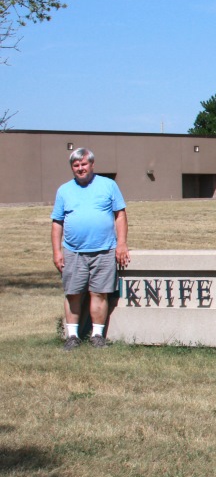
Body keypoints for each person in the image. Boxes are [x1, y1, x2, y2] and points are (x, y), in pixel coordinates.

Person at [51, 148, 130, 350]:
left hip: (104, 250)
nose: (80, 168)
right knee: (73, 294)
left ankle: (96, 336)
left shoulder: (108, 185)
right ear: (72, 168)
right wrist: (57, 251)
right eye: (76, 165)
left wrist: (121, 243)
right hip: (73, 251)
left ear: (92, 165)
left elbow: (120, 215)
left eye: (84, 164)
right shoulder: (64, 190)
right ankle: (72, 337)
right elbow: (57, 222)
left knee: (99, 294)